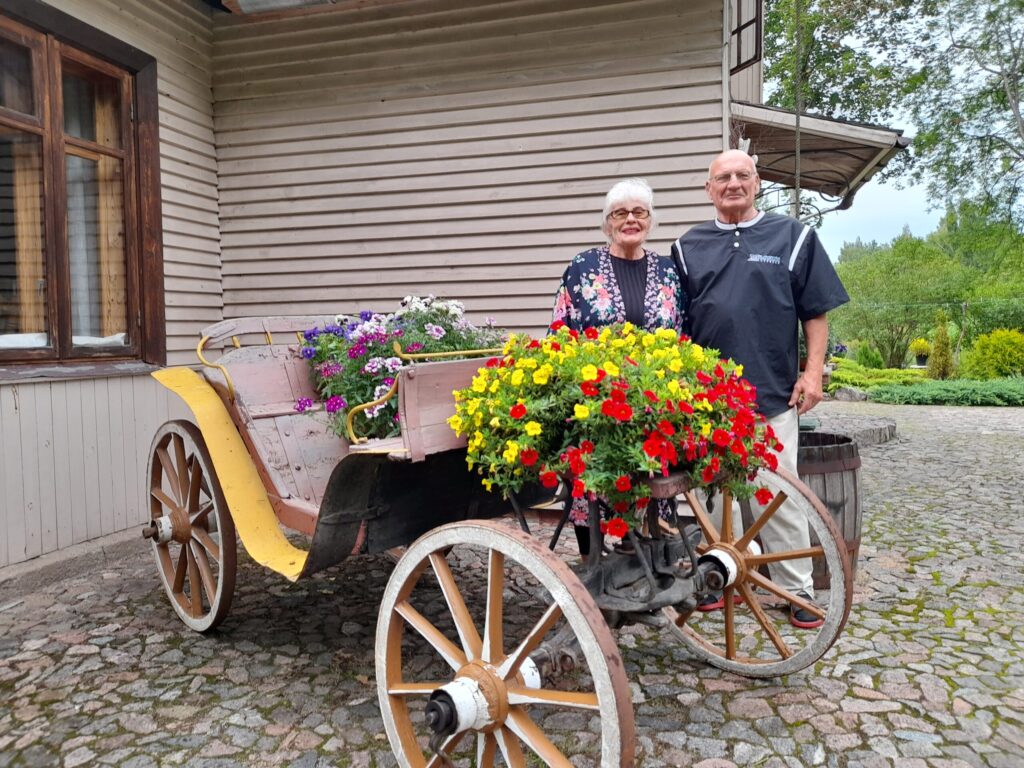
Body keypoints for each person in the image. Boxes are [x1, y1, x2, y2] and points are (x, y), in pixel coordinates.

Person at [669, 149, 849, 629]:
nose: (733, 183)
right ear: (708, 189)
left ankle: (796, 588)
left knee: (777, 496)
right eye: (722, 177)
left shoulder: (792, 236)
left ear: (757, 182)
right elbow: (678, 323)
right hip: (707, 402)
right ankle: (711, 578)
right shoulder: (687, 247)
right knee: (709, 497)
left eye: (742, 175)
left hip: (772, 395)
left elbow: (815, 312)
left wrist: (813, 373)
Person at [552, 177, 686, 554]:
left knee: (645, 475)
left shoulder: (668, 271)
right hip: (594, 398)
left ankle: (637, 549)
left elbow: (680, 332)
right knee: (592, 479)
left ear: (650, 220)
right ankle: (590, 558)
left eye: (639, 212)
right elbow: (560, 328)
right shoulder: (583, 266)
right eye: (620, 213)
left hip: (651, 400)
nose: (630, 219)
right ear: (607, 222)